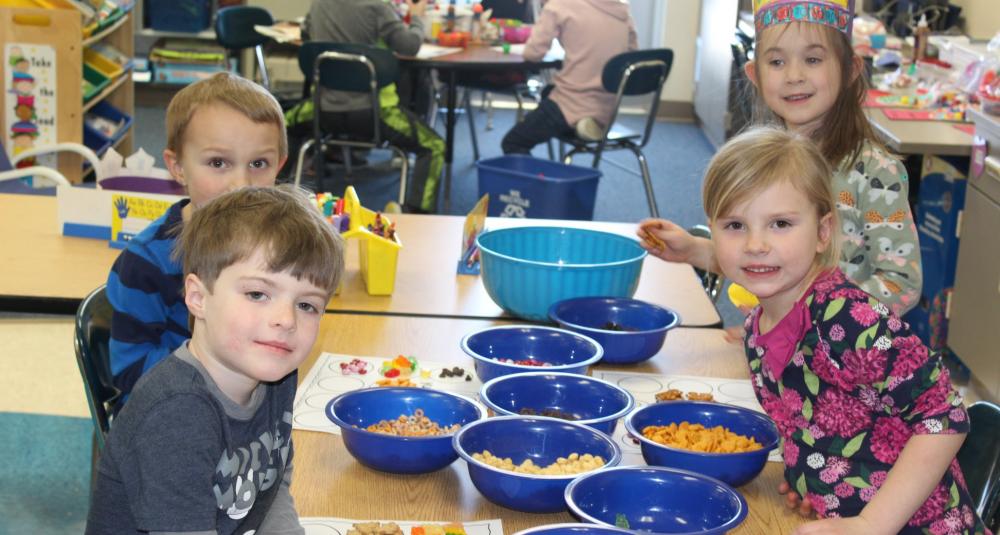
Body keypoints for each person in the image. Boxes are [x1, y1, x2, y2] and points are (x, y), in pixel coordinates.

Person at [702, 126, 989, 535]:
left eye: (780, 223)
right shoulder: (756, 330)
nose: (755, 243)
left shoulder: (850, 319)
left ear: (822, 233)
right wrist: (810, 477)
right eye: (734, 225)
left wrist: (872, 523)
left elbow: (944, 415)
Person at [86, 185, 345, 534]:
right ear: (197, 297)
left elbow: (271, 486)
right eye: (258, 293)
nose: (286, 319)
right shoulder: (176, 415)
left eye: (307, 305)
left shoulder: (275, 372)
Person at [639, 0, 921, 317]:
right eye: (776, 62)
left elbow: (901, 284)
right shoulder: (762, 161)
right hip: (776, 345)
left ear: (850, 69)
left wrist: (805, 317)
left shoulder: (875, 171)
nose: (794, 76)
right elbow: (761, 252)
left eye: (813, 59)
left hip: (841, 355)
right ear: (754, 74)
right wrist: (696, 251)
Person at [106, 72, 288, 408]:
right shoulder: (147, 262)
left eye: (259, 163)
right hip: (170, 413)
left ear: (280, 164)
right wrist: (223, 368)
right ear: (177, 167)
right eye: (218, 163)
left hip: (244, 404)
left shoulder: (278, 246)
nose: (241, 184)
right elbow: (128, 372)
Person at [303, 0, 445, 213]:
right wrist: (417, 17)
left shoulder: (318, 4)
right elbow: (409, 46)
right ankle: (416, 213)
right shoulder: (378, 7)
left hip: (322, 110)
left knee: (275, 126)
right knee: (435, 146)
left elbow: (306, 35)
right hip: (375, 113)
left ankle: (274, 200)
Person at [500, 0, 638, 154]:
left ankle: (544, 174)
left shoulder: (558, 6)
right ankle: (584, 122)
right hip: (606, 107)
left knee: (513, 142)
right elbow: (632, 56)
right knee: (548, 92)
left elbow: (533, 54)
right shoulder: (621, 9)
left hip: (570, 103)